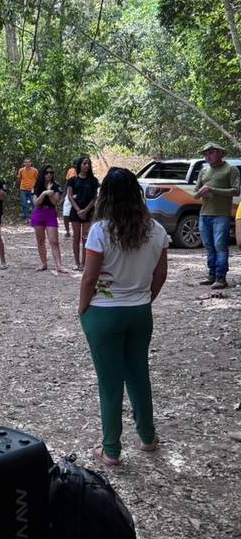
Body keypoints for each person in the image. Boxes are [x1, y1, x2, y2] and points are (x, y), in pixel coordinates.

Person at [78, 167, 169, 466]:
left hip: (104, 313)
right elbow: (160, 274)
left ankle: (111, 449)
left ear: (106, 195)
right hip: (140, 312)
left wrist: (82, 309)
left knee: (110, 383)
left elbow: (89, 278)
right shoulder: (155, 230)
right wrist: (144, 299)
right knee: (138, 375)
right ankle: (148, 438)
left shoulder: (100, 230)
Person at [194, 142, 241, 289]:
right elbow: (195, 194)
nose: (208, 156)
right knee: (208, 246)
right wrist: (200, 193)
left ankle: (221, 277)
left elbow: (236, 191)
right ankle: (212, 274)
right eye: (205, 153)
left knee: (220, 245)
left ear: (220, 153)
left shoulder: (230, 169)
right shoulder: (203, 171)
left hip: (221, 214)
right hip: (204, 214)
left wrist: (213, 189)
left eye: (211, 152)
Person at [31, 165, 67, 273]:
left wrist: (50, 193)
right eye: (47, 172)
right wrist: (44, 193)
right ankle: (43, 263)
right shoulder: (37, 185)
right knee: (40, 241)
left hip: (50, 213)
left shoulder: (56, 186)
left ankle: (59, 265)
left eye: (51, 172)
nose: (49, 174)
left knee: (54, 241)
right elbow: (36, 202)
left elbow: (55, 202)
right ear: (43, 173)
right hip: (39, 213)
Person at [67, 156, 100, 271]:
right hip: (76, 211)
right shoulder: (72, 180)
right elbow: (70, 196)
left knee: (86, 238)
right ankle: (76, 263)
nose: (86, 166)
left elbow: (94, 197)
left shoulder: (93, 180)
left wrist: (85, 210)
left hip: (89, 211)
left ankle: (84, 263)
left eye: (88, 164)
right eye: (84, 164)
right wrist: (78, 210)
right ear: (79, 165)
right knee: (76, 237)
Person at [62, 160, 78, 237]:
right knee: (66, 214)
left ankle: (76, 232)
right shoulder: (71, 171)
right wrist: (63, 196)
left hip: (79, 195)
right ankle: (67, 231)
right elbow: (68, 183)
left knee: (77, 214)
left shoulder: (86, 173)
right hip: (69, 194)